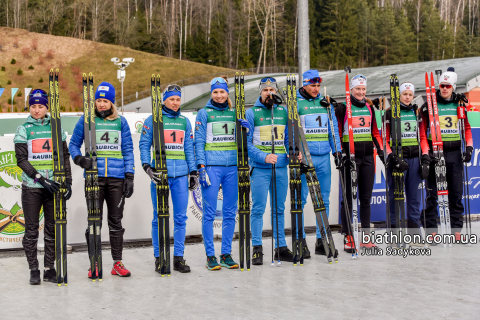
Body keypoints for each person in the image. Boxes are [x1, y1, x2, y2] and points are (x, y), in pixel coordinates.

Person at [69, 82, 135, 277]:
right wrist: (80, 159)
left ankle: (117, 263)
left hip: (116, 179)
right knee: (94, 222)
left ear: (112, 102)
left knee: (115, 221)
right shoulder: (86, 120)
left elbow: (128, 150)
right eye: (98, 100)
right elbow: (73, 144)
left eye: (105, 100)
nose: (101, 104)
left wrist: (129, 175)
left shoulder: (121, 122)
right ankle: (94, 263)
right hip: (94, 179)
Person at [14, 89, 73, 285]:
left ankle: (49, 268)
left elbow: (65, 157)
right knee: (31, 230)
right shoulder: (23, 129)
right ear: (29, 107)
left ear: (47, 107)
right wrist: (40, 178)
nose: (37, 110)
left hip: (54, 186)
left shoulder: (56, 127)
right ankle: (33, 269)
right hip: (32, 186)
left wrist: (68, 182)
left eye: (40, 106)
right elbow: (21, 160)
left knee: (52, 229)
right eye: (33, 106)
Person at [139, 85, 197, 273]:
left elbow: (189, 147)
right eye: (172, 99)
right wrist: (147, 166)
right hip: (160, 176)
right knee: (159, 218)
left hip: (180, 176)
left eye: (178, 99)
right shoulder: (153, 120)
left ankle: (178, 258)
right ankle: (159, 257)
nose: (175, 103)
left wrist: (193, 171)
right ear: (164, 100)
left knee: (180, 218)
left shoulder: (184, 121)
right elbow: (144, 144)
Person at [194, 76, 248, 270]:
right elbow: (198, 141)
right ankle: (210, 256)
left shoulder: (235, 112)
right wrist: (201, 166)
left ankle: (226, 254)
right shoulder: (204, 113)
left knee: (229, 212)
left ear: (227, 93)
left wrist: (246, 131)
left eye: (222, 92)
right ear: (211, 93)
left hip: (232, 167)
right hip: (211, 167)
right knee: (209, 213)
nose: (219, 95)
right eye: (215, 92)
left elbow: (242, 141)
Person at [246, 77, 295, 265]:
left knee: (279, 209)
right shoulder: (252, 113)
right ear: (260, 92)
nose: (269, 93)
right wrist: (263, 157)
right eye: (265, 89)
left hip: (281, 167)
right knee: (258, 209)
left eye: (272, 89)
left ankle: (280, 247)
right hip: (260, 168)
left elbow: (290, 141)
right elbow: (247, 144)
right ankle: (257, 248)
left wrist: (293, 154)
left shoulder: (283, 111)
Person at [420, 67, 473, 241]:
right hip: (436, 153)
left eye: (448, 86)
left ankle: (456, 230)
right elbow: (422, 133)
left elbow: (466, 128)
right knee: (433, 193)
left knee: (456, 193)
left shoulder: (459, 104)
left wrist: (469, 147)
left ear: (453, 87)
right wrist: (427, 153)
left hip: (455, 154)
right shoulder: (429, 105)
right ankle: (431, 230)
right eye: (442, 85)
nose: (444, 89)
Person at [335, 74, 384, 252]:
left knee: (365, 199)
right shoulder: (342, 109)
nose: (361, 92)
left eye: (363, 89)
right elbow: (338, 133)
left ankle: (365, 238)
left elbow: (375, 132)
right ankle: (348, 236)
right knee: (348, 198)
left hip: (367, 158)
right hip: (350, 158)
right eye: (358, 89)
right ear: (351, 90)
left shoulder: (369, 108)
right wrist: (340, 154)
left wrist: (381, 151)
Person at [296, 70, 342, 256]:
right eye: (312, 86)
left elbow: (333, 131)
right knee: (301, 199)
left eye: (318, 86)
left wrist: (337, 151)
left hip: (323, 157)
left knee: (324, 199)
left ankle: (322, 240)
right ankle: (300, 241)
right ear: (305, 84)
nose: (316, 89)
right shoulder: (296, 104)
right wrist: (295, 153)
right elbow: (290, 132)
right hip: (306, 158)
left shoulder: (325, 104)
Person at [384, 82, 429, 243]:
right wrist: (391, 157)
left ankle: (414, 232)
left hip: (415, 159)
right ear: (399, 95)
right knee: (395, 197)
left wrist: (425, 157)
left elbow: (422, 137)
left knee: (415, 198)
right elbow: (384, 140)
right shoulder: (389, 114)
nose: (408, 97)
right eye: (405, 94)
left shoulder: (416, 113)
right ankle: (394, 232)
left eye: (410, 94)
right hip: (398, 160)